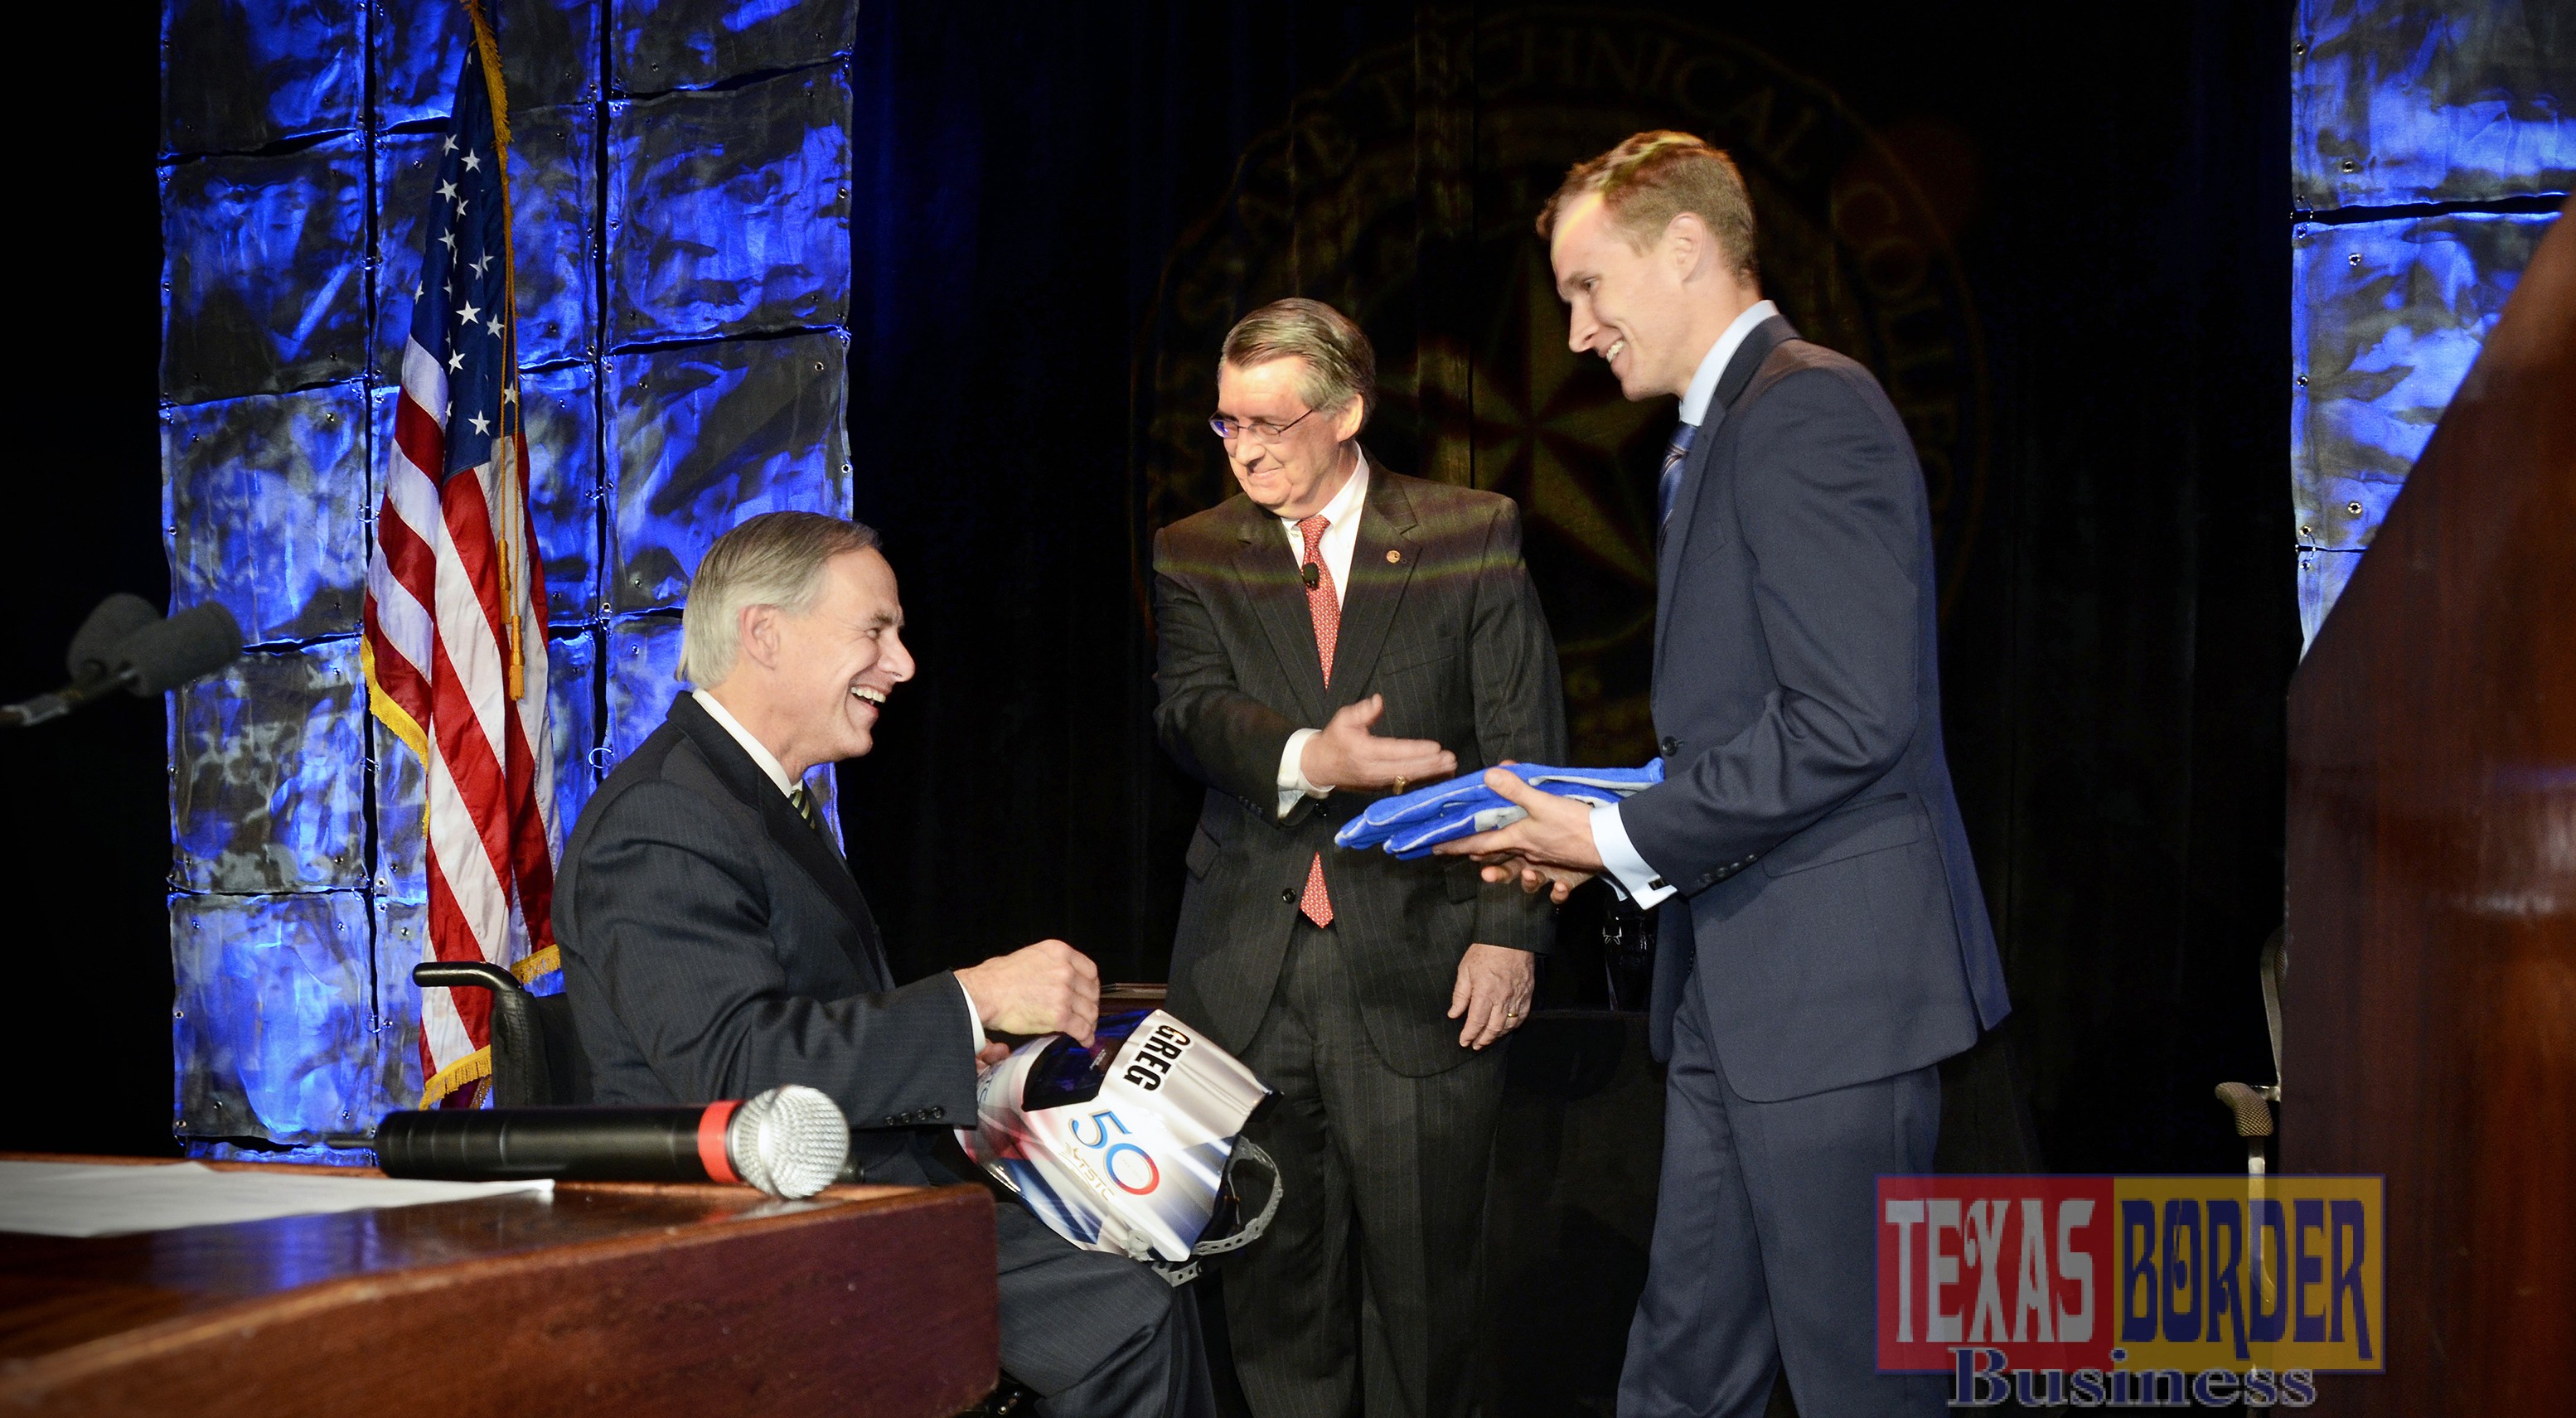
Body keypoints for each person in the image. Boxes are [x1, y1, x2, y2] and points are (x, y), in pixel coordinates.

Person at [1437, 132, 2012, 1416]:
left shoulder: (1804, 409)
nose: (1578, 331)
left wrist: (1621, 836)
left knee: (1865, 1382)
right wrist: (1594, 821)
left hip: (1831, 999)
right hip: (1737, 989)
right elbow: (1749, 725)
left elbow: (1849, 719)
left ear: (1687, 250)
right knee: (1685, 1366)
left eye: (1590, 288)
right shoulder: (1720, 433)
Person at [555, 511, 1214, 1418]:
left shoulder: (748, 799)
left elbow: (803, 1016)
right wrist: (970, 999)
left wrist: (964, 1040)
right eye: (876, 630)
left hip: (850, 1187)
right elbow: (735, 1071)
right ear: (765, 633)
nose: (902, 664)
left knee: (1153, 1253)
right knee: (1128, 1317)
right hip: (762, 1228)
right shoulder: (665, 817)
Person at [1152, 298, 1566, 1418]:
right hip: (1252, 971)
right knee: (1275, 1301)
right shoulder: (1195, 551)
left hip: (1425, 964)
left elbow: (1523, 749)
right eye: (1228, 424)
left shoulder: (1468, 532)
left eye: (1272, 423)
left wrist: (1507, 932)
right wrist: (1306, 753)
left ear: (1347, 411)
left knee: (1430, 1303)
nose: (1247, 448)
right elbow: (1189, 714)